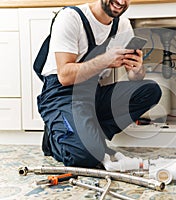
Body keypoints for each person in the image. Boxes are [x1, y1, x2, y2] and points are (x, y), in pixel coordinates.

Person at [37, 0, 162, 168]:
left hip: (92, 92)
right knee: (86, 157)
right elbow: (65, 76)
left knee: (150, 90)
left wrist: (138, 69)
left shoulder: (122, 25)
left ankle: (87, 135)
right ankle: (56, 140)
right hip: (61, 93)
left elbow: (134, 77)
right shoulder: (71, 17)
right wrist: (104, 60)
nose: (121, 1)